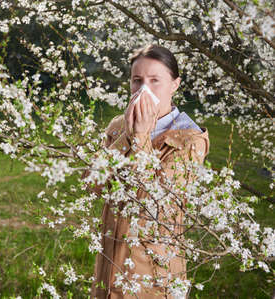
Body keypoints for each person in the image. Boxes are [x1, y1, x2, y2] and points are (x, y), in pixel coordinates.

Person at [89, 44, 210, 298]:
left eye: (155, 80)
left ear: (174, 84)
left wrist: (141, 137)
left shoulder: (190, 139)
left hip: (152, 272)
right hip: (109, 263)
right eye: (137, 80)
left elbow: (151, 205)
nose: (144, 89)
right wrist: (126, 135)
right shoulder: (118, 125)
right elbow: (94, 185)